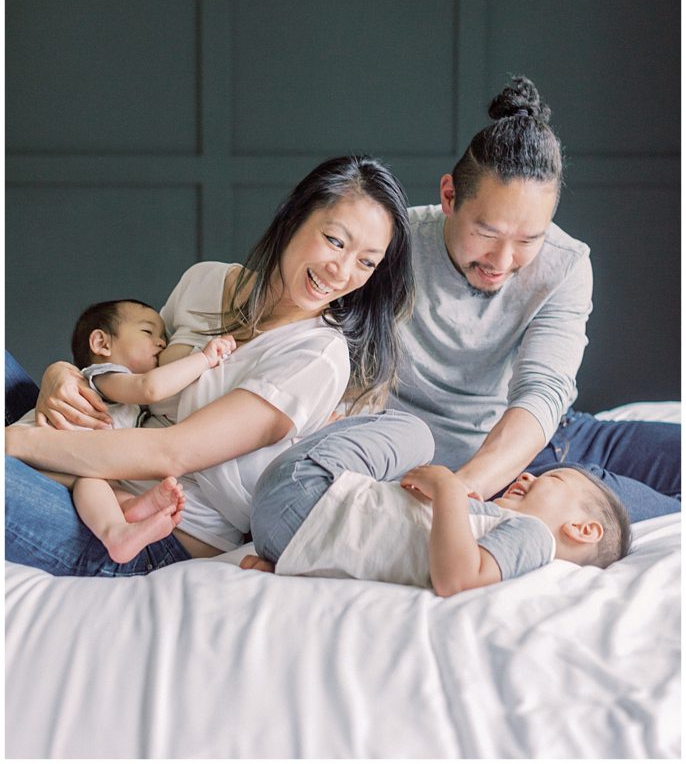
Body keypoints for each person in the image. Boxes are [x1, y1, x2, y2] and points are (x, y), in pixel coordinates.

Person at [5, 154, 415, 576]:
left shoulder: (316, 359)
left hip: (158, 538)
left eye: (367, 262)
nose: (342, 271)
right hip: (94, 478)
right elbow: (133, 370)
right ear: (295, 216)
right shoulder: (204, 281)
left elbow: (173, 453)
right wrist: (64, 373)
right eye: (335, 240)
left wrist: (14, 444)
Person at [378, 77, 679, 522]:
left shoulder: (566, 263)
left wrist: (465, 489)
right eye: (487, 233)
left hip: (537, 443)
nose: (502, 260)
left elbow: (543, 391)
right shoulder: (386, 245)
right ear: (449, 196)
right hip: (433, 461)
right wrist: (454, 490)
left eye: (528, 239)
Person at [238, 413, 632, 596]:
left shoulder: (535, 537)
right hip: (288, 540)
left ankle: (323, 419)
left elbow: (457, 580)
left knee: (414, 434)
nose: (527, 475)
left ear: (583, 529)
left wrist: (448, 489)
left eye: (553, 478)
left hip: (303, 493)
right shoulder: (504, 542)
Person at [20, 298, 235, 563]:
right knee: (93, 478)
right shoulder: (103, 376)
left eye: (163, 337)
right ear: (102, 344)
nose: (161, 343)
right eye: (148, 332)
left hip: (69, 465)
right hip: (36, 453)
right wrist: (204, 358)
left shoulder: (129, 405)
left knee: (96, 481)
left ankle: (126, 516)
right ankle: (117, 529)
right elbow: (150, 387)